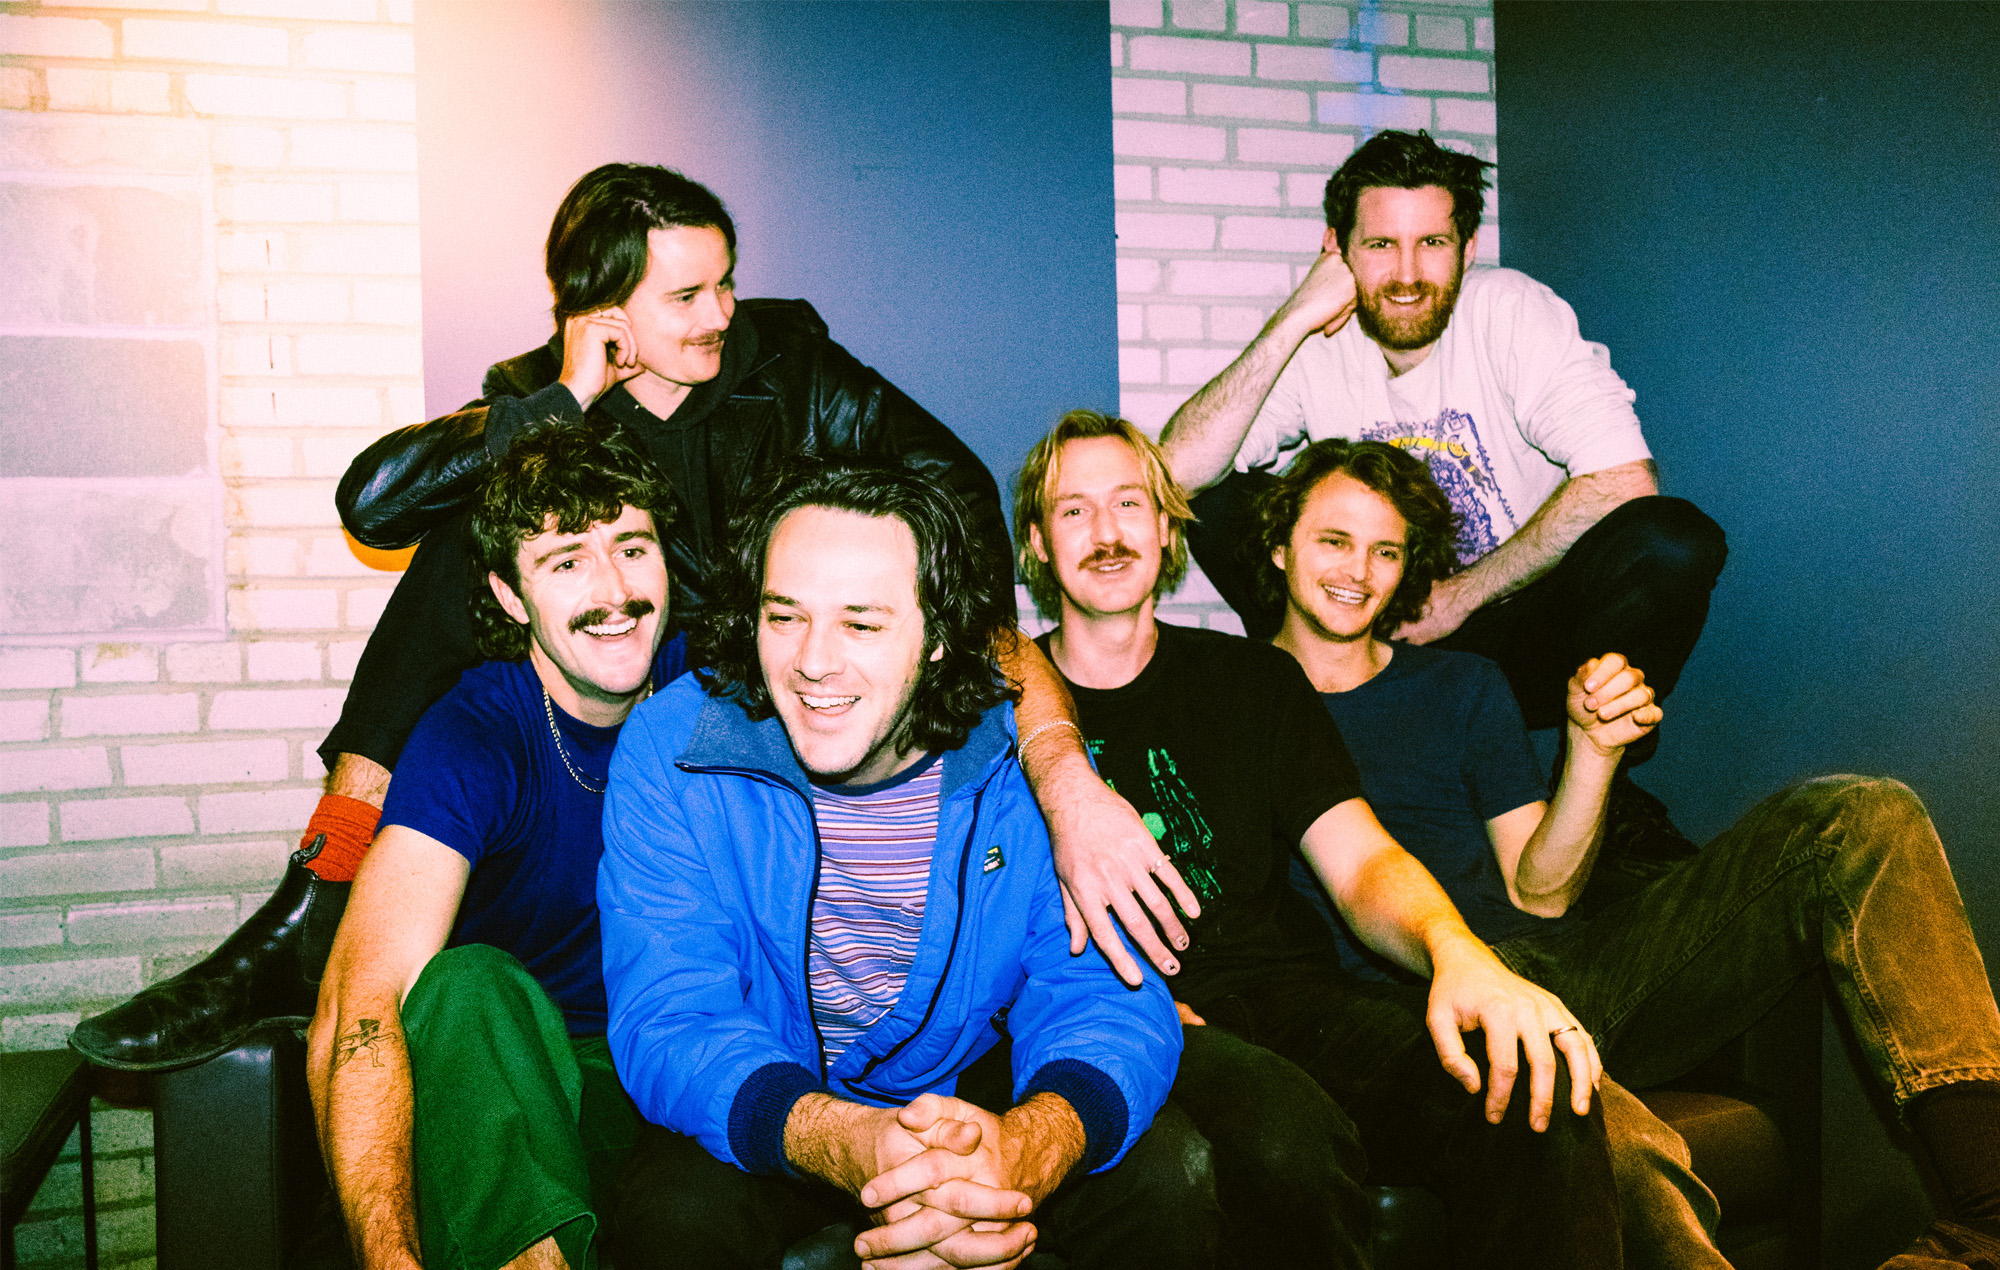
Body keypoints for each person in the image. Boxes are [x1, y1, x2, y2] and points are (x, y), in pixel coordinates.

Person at [74, 163, 1180, 1072]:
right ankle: (320, 890)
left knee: (500, 522)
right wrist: (564, 400)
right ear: (606, 311)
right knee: (466, 532)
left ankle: (309, 910)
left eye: (724, 283)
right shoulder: (543, 388)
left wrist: (898, 614)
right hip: (618, 653)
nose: (722, 313)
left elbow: (956, 489)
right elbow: (373, 505)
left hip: (761, 655)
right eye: (687, 296)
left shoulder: (786, 361)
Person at [1263, 437, 2000, 1270]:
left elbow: (1540, 893)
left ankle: (1986, 1219)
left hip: (1565, 967)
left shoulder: (1461, 684)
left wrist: (1591, 750)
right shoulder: (1234, 695)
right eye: (1335, 541)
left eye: (1386, 550)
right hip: (1421, 1009)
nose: (1359, 570)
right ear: (1280, 545)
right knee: (1604, 1137)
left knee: (1860, 815)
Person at [1013, 410, 1619, 1267]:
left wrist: (1458, 954)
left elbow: (1362, 861)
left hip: (1291, 1003)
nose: (1107, 532)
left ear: (1167, 528)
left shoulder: (1255, 679)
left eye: (1129, 504)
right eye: (1074, 510)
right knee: (1284, 1149)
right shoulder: (1004, 714)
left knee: (1528, 1086)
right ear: (1039, 544)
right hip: (1121, 1013)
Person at [599, 459, 1214, 1270]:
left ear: (939, 640)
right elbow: (671, 1014)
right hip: (770, 1093)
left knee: (1170, 1179)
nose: (814, 661)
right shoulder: (672, 748)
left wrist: (1027, 1149)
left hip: (969, 1091)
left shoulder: (1019, 765)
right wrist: (848, 1140)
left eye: (862, 624)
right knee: (674, 1222)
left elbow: (1103, 993)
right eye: (785, 617)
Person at [1158, 129, 1726, 742]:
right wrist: (1293, 320)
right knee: (1212, 498)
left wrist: (1459, 597)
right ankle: (1309, 703)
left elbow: (1624, 480)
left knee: (1673, 541)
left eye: (1432, 243)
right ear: (1336, 249)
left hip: (1513, 625)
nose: (1407, 275)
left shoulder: (1509, 311)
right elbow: (1175, 475)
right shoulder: (1319, 341)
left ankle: (1599, 766)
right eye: (1380, 244)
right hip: (1374, 625)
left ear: (1467, 248)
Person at [305, 422, 685, 1270]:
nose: (615, 590)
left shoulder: (715, 695)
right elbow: (358, 1002)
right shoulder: (475, 736)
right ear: (511, 597)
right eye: (567, 562)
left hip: (675, 1068)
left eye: (633, 548)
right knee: (462, 985)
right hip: (516, 1078)